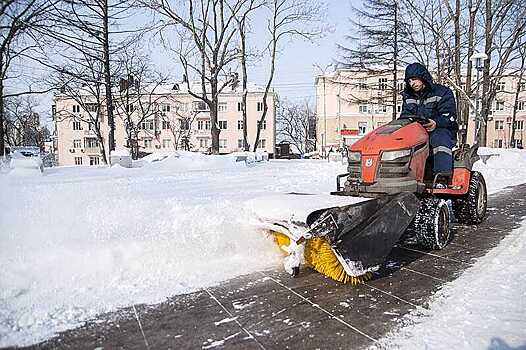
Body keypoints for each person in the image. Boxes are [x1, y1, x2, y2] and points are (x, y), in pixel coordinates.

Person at [400, 62, 459, 180]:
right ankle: (401, 177)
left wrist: (436, 123)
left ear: (423, 76)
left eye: (414, 79)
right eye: (409, 81)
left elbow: (449, 116)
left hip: (441, 130)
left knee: (439, 138)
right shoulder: (408, 96)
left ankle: (442, 177)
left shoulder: (443, 92)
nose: (412, 83)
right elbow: (405, 116)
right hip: (417, 133)